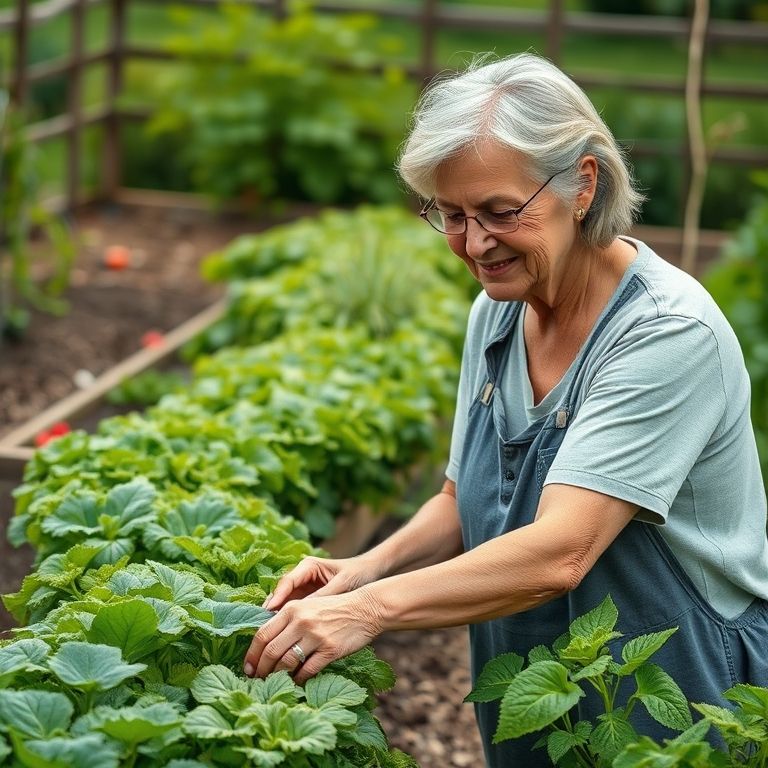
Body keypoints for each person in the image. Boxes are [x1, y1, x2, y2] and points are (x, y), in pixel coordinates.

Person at [244, 52, 768, 766]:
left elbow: (562, 551)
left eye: (499, 211)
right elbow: (465, 501)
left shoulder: (666, 334)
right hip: (543, 675)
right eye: (451, 215)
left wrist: (371, 611)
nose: (475, 243)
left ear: (582, 184)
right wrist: (364, 568)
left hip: (672, 686)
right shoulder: (499, 312)